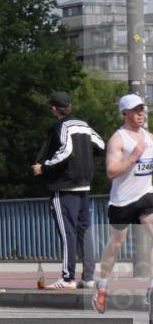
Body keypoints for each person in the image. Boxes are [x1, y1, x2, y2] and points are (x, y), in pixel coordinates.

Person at [32, 91, 105, 289]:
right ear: (69, 107)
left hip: (64, 187)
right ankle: (88, 278)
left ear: (54, 109)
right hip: (84, 186)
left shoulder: (61, 126)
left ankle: (67, 278)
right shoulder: (83, 125)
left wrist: (44, 167)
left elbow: (65, 151)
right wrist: (86, 158)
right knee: (84, 232)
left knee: (67, 233)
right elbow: (100, 144)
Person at [93, 93, 153, 316]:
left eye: (142, 109)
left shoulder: (150, 138)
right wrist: (132, 158)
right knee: (116, 244)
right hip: (122, 202)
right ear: (124, 113)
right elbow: (111, 172)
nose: (140, 114)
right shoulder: (118, 139)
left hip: (146, 195)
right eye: (136, 110)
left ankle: (152, 288)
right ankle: (102, 285)